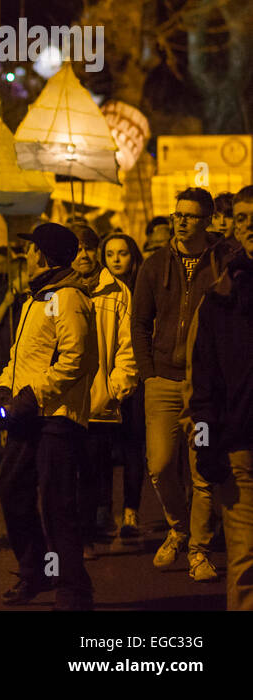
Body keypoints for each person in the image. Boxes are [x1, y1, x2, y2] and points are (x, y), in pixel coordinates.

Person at [0, 221, 98, 610]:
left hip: (56, 416)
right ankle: (33, 571)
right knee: (12, 490)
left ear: (44, 254)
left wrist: (32, 396)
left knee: (57, 503)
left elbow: (75, 360)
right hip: (29, 412)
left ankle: (73, 588)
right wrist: (0, 389)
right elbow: (22, 359)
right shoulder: (38, 297)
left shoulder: (66, 298)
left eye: (32, 248)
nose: (27, 254)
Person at [131, 188, 231, 583]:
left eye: (190, 216)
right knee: (159, 465)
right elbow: (139, 322)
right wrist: (147, 370)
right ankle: (178, 527)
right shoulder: (155, 264)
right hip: (163, 382)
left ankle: (198, 550)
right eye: (178, 214)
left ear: (206, 222)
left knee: (202, 469)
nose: (182, 220)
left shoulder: (224, 262)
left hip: (205, 388)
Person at [188, 185, 253, 610]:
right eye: (244, 219)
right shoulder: (221, 299)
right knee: (246, 561)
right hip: (240, 445)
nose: (252, 227)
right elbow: (205, 383)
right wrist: (206, 443)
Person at [69, 225, 138, 561]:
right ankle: (67, 535)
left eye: (88, 248)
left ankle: (85, 536)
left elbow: (128, 346)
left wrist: (116, 387)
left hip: (98, 401)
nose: (83, 255)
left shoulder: (117, 291)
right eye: (77, 248)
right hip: (62, 401)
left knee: (92, 472)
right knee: (64, 472)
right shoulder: (56, 291)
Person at [99, 232, 148, 548]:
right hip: (105, 377)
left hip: (139, 376)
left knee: (133, 446)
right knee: (103, 448)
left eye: (123, 253)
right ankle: (105, 512)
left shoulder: (144, 287)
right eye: (111, 253)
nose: (116, 259)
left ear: (133, 256)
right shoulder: (98, 291)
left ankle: (131, 511)